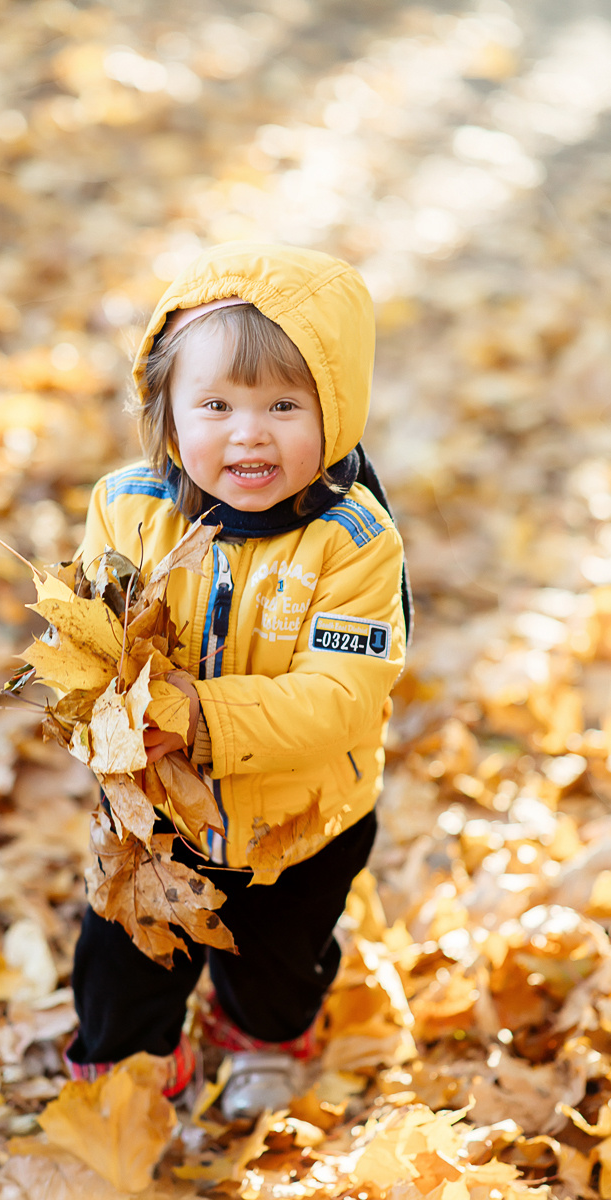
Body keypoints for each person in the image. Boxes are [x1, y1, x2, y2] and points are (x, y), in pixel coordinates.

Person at [63, 242, 411, 1118]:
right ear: (167, 410)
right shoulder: (128, 507)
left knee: (277, 961)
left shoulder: (354, 543)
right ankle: (135, 1077)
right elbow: (87, 629)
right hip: (157, 815)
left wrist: (198, 714)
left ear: (336, 415)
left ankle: (260, 1038)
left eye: (283, 405)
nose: (248, 432)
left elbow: (339, 698)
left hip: (299, 821)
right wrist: (99, 700)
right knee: (123, 967)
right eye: (215, 404)